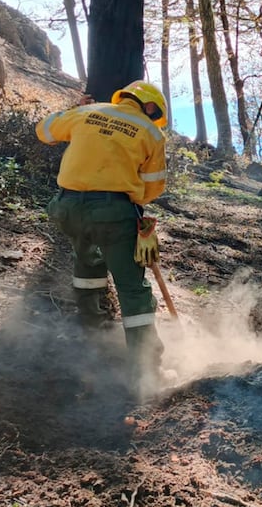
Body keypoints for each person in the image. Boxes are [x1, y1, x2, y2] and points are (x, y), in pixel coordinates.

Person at [36, 80, 169, 390]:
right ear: (149, 107)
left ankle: (92, 340)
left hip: (67, 209)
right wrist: (132, 200)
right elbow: (154, 186)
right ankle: (145, 372)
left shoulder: (88, 112)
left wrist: (76, 109)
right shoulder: (151, 133)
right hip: (113, 214)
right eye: (154, 113)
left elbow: (43, 131)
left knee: (87, 267)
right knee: (132, 287)